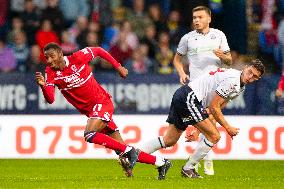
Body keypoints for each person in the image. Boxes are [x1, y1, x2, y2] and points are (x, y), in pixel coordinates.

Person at [35, 42, 171, 180]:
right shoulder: (50, 72)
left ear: (60, 53)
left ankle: (130, 151)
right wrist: (43, 86)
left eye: (52, 56)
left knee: (89, 135)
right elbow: (50, 99)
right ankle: (161, 163)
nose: (49, 60)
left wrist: (118, 67)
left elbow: (99, 50)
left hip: (102, 103)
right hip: (93, 112)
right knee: (122, 150)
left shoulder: (78, 57)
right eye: (46, 58)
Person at [139, 59, 265, 178]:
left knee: (169, 140)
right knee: (215, 136)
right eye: (250, 72)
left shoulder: (239, 85)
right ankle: (188, 168)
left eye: (254, 77)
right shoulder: (233, 81)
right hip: (189, 97)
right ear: (245, 68)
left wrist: (199, 130)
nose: (250, 77)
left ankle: (132, 155)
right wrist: (228, 128)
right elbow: (214, 107)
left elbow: (213, 109)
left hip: (184, 96)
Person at [172, 6, 232, 175]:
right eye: (194, 17)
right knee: (205, 124)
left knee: (210, 123)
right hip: (195, 88)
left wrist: (223, 57)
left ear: (209, 18)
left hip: (216, 86)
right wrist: (182, 73)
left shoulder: (219, 35)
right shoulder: (187, 38)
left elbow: (229, 61)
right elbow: (177, 59)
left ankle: (201, 162)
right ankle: (203, 162)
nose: (196, 20)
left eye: (200, 17)